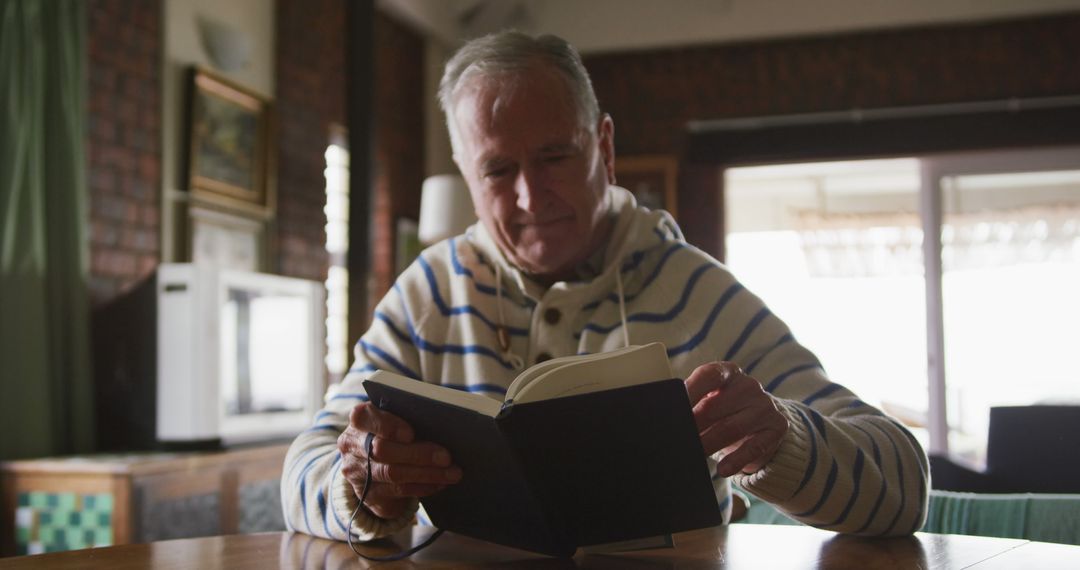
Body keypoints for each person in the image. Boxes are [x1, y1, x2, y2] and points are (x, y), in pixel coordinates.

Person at [282, 30, 929, 542]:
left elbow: (904, 486)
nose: (531, 196)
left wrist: (780, 439)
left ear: (605, 148)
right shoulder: (429, 289)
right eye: (499, 169)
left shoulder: (695, 291)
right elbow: (302, 468)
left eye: (555, 156)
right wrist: (362, 482)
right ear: (466, 177)